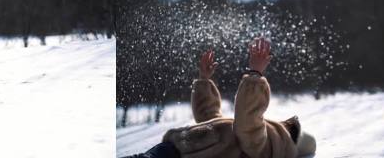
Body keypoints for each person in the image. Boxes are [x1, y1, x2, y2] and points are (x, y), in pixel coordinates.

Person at [125, 37, 316, 158]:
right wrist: (204, 80)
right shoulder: (247, 138)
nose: (285, 122)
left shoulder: (265, 145)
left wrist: (255, 74)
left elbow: (248, 121)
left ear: (289, 137)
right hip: (171, 149)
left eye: (290, 125)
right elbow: (209, 117)